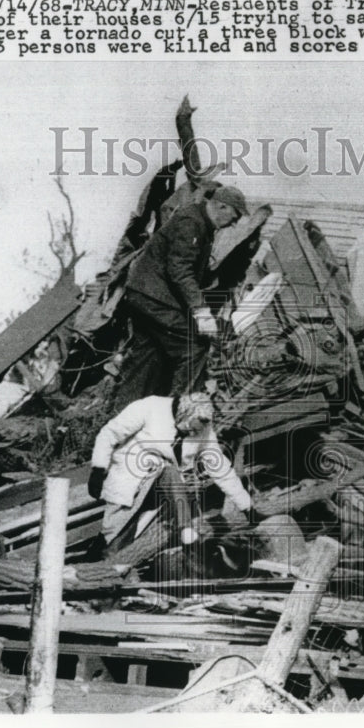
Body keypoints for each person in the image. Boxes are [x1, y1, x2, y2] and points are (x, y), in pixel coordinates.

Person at [112, 185, 249, 413]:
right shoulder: (192, 222)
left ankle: (121, 421)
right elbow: (180, 270)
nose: (233, 223)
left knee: (146, 359)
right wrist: (201, 312)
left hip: (145, 294)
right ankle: (178, 418)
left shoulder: (198, 221)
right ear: (222, 206)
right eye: (233, 217)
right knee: (194, 347)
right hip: (154, 298)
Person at [86, 392, 252, 554]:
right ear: (184, 414)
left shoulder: (203, 430)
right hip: (130, 478)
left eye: (196, 432)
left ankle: (187, 534)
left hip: (164, 489)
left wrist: (247, 506)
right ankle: (101, 551)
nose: (193, 434)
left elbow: (220, 468)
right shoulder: (150, 407)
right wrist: (98, 469)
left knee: (170, 472)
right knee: (114, 541)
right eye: (190, 430)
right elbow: (109, 433)